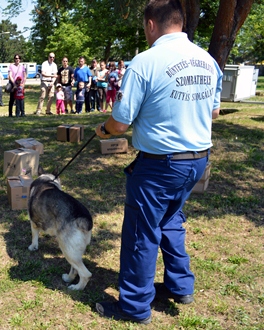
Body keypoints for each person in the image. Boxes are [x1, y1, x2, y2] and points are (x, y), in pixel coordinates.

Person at [94, 0, 223, 324]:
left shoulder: (145, 62)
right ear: (179, 21)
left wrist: (103, 130)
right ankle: (181, 287)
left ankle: (134, 306)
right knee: (170, 221)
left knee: (141, 232)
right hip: (196, 161)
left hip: (160, 166)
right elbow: (214, 112)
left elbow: (119, 124)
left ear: (151, 24)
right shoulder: (209, 61)